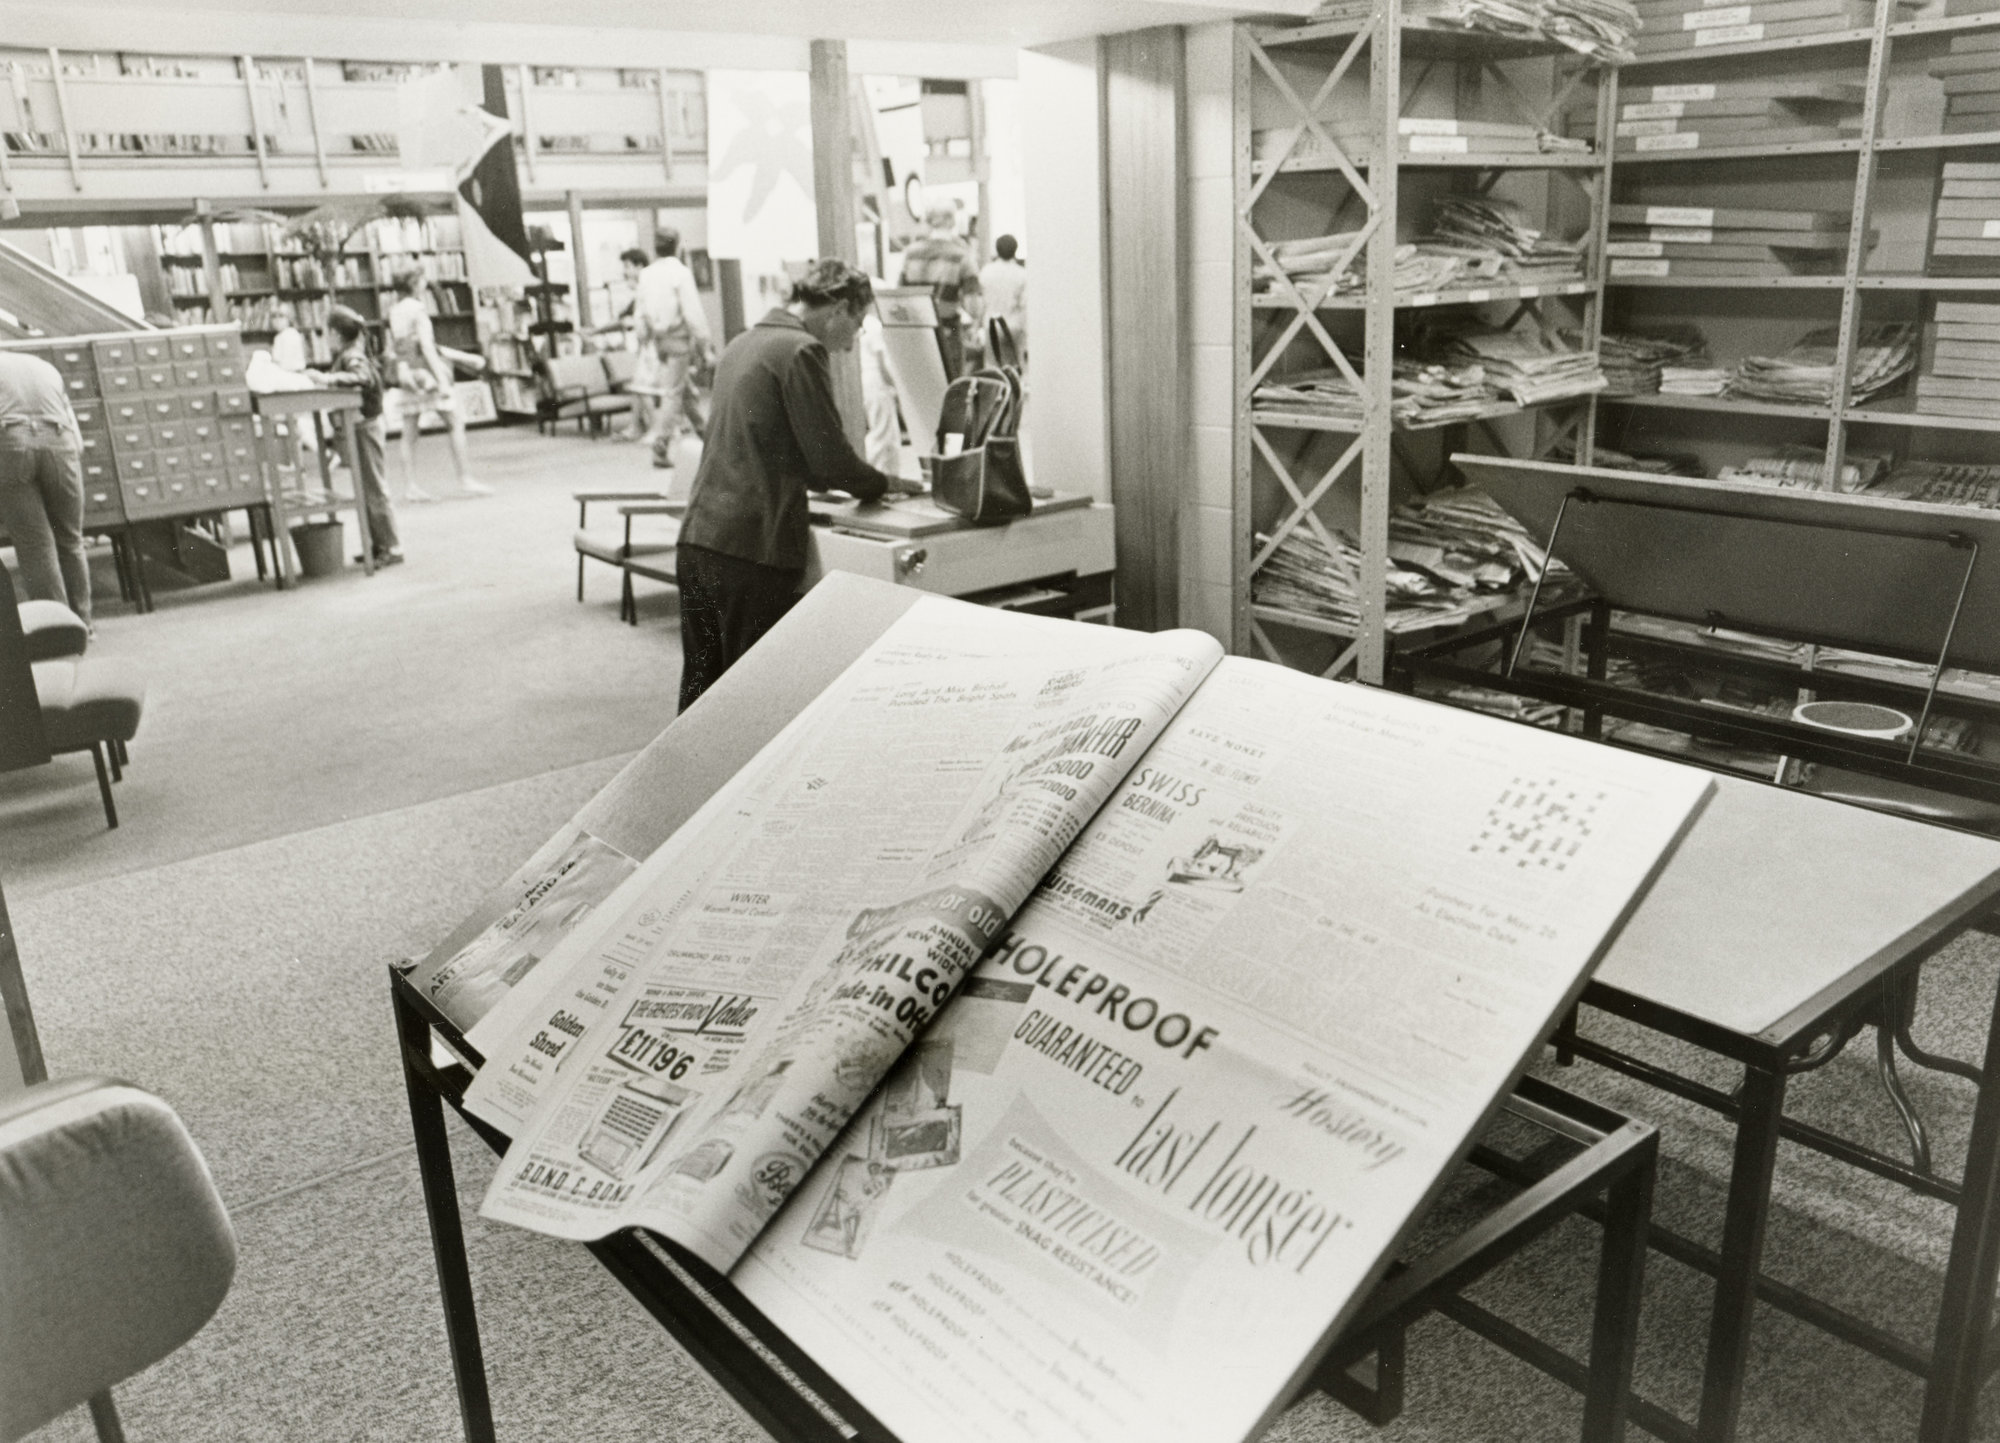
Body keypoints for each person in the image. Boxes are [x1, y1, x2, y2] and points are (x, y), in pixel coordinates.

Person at [676, 260, 920, 712]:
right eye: (859, 323)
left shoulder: (743, 342)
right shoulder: (801, 351)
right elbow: (829, 462)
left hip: (700, 540)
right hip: (752, 548)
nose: (854, 339)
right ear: (839, 309)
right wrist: (884, 484)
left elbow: (767, 441)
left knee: (702, 691)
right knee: (752, 700)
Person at [307, 306, 402, 567]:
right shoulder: (349, 353)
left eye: (328, 333)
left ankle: (391, 546)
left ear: (336, 334)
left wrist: (327, 379)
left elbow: (363, 378)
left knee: (374, 487)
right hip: (359, 427)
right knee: (367, 486)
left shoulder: (352, 356)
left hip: (365, 428)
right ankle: (379, 544)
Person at [0, 349, 89, 628]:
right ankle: (84, 622)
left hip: (12, 442)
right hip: (61, 442)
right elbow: (80, 443)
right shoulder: (43, 365)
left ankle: (59, 628)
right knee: (71, 539)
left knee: (36, 545)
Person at [386, 268, 490, 502]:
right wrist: (443, 380)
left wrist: (465, 359)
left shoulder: (395, 311)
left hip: (408, 375)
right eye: (422, 279)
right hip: (427, 375)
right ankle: (465, 478)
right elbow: (428, 348)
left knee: (409, 430)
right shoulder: (419, 310)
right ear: (414, 283)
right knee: (454, 423)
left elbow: (405, 348)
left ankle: (411, 485)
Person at [634, 228, 712, 466]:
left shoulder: (646, 274)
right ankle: (661, 445)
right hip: (678, 338)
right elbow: (693, 313)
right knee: (673, 393)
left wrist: (644, 339)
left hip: (658, 341)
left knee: (683, 391)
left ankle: (709, 439)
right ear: (676, 245)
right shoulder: (680, 273)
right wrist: (705, 346)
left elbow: (640, 311)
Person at [898, 204, 982, 379]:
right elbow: (973, 307)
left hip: (917, 334)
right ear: (952, 221)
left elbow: (900, 296)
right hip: (947, 332)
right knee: (950, 393)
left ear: (929, 221)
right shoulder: (962, 255)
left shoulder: (911, 253)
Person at [592, 248, 658, 443]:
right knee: (638, 387)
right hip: (646, 346)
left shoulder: (650, 288)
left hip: (654, 345)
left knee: (643, 387)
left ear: (640, 266)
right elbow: (622, 318)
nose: (625, 272)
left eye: (628, 266)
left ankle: (657, 429)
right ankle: (636, 427)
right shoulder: (640, 290)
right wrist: (595, 331)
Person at [856, 309, 903, 478]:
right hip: (877, 382)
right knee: (884, 431)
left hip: (864, 379)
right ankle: (880, 474)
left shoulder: (864, 324)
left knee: (878, 428)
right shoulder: (875, 326)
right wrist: (897, 387)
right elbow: (883, 365)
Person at [978, 233, 1027, 362]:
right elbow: (1024, 305)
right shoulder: (1022, 274)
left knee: (992, 365)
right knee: (1015, 365)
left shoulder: (986, 271)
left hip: (991, 324)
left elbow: (981, 302)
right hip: (1014, 325)